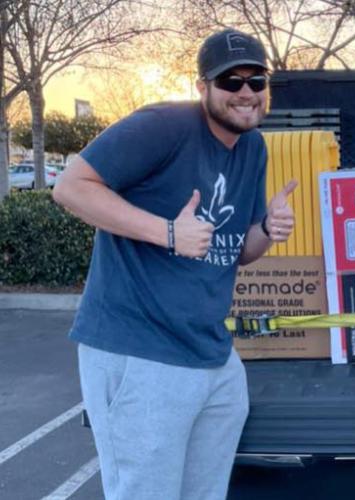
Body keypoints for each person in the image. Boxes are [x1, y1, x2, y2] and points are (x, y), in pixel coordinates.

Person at [53, 28, 297, 500]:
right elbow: (71, 187)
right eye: (230, 81)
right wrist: (167, 232)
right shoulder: (163, 125)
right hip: (140, 350)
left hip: (212, 355)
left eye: (256, 79)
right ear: (202, 86)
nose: (245, 91)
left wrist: (268, 230)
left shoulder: (253, 148)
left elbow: (237, 250)